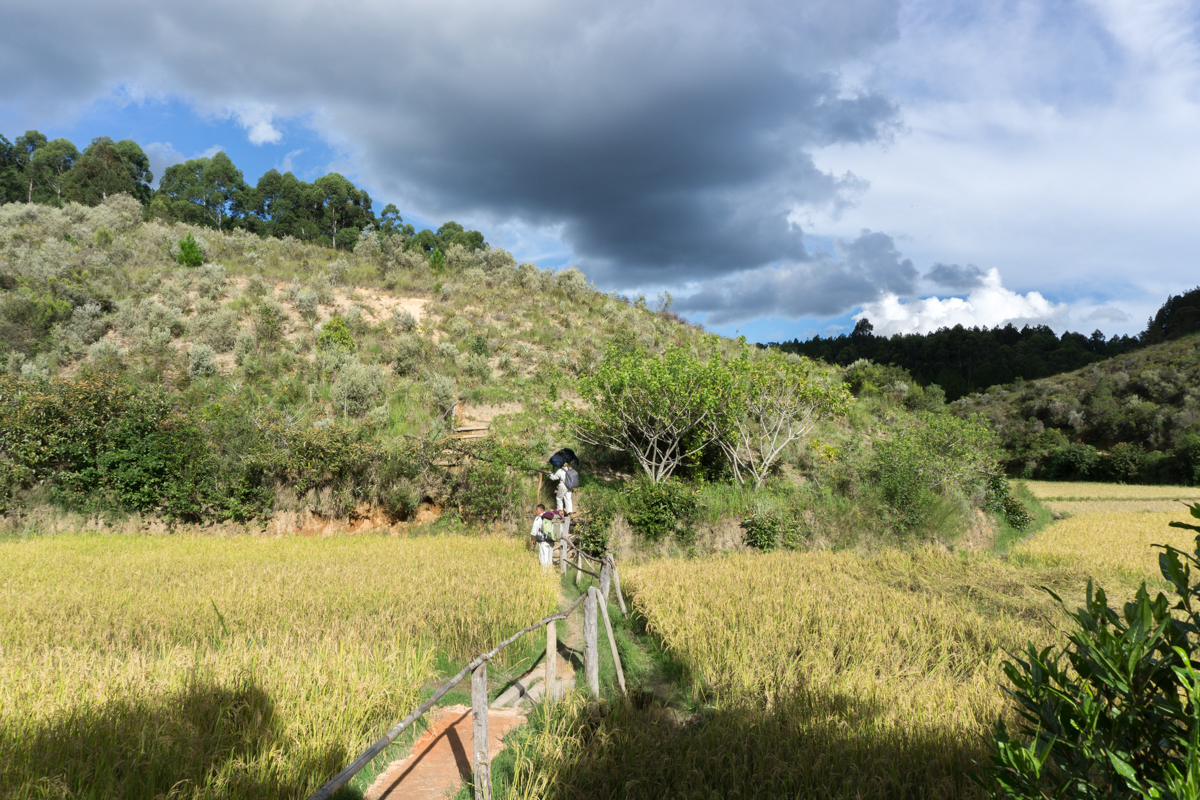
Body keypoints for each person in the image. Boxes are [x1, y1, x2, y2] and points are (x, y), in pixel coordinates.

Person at [529, 504, 556, 570]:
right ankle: (550, 575)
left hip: (543, 542)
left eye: (536, 509)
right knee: (549, 560)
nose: (535, 511)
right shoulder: (550, 517)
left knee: (543, 559)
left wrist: (532, 540)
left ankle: (544, 576)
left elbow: (534, 531)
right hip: (551, 541)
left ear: (540, 510)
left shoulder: (538, 518)